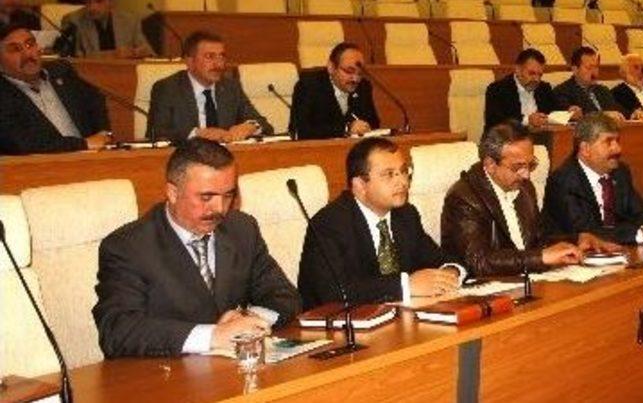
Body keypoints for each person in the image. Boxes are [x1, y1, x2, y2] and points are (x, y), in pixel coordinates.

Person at [93, 139, 300, 357]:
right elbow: (118, 330)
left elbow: (284, 296)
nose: (219, 208)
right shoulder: (129, 247)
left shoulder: (241, 229)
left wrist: (248, 320)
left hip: (233, 368)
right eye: (206, 197)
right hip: (167, 371)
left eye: (228, 195)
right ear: (173, 193)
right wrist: (214, 335)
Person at [297, 137, 464, 309]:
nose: (402, 182)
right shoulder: (329, 224)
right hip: (342, 321)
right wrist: (405, 286)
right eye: (388, 174)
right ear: (360, 185)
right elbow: (336, 292)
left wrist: (450, 272)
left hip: (399, 317)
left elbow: (438, 258)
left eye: (403, 171)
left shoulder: (406, 215)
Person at [441, 123, 621, 277]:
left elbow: (538, 240)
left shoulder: (525, 188)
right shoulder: (464, 198)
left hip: (527, 279)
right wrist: (540, 258)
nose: (526, 175)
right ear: (490, 165)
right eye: (518, 167)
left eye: (531, 165)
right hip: (487, 290)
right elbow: (478, 262)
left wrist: (577, 239)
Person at [543, 113, 643, 245]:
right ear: (585, 149)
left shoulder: (620, 172)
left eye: (617, 141)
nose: (618, 149)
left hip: (620, 250)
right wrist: (638, 234)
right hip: (577, 255)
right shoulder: (562, 181)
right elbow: (585, 234)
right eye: (608, 142)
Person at [0, 24, 111, 155]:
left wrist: (103, 133)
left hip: (92, 157)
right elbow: (22, 144)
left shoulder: (61, 72)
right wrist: (84, 144)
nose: (27, 54)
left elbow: (95, 101)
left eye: (30, 44)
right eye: (15, 49)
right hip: (40, 164)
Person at [147, 30, 272, 143]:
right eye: (210, 57)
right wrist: (197, 133)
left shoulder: (230, 87)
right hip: (188, 155)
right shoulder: (168, 88)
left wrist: (250, 126)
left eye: (221, 56)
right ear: (190, 62)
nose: (218, 64)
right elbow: (156, 133)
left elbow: (263, 123)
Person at [289, 42, 380, 140]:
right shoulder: (309, 86)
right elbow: (301, 131)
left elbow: (374, 123)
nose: (355, 79)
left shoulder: (363, 86)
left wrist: (364, 126)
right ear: (331, 67)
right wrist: (346, 129)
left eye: (360, 74)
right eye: (349, 71)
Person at [60, 0, 154, 58]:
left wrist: (137, 52)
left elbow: (149, 52)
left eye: (99, 1)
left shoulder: (130, 21)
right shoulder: (74, 20)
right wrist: (114, 54)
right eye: (88, 1)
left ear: (112, 1)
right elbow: (74, 57)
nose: (92, 7)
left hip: (124, 71)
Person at [483, 48, 570, 132]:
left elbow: (555, 111)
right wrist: (528, 120)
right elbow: (495, 121)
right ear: (518, 70)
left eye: (540, 75)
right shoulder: (497, 89)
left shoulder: (544, 88)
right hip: (506, 138)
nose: (536, 79)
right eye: (532, 73)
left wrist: (568, 112)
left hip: (540, 137)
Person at [552, 46, 624, 118]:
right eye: (589, 68)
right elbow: (573, 115)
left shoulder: (603, 90)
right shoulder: (562, 92)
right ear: (575, 69)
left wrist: (627, 115)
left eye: (596, 67)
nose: (594, 72)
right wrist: (604, 115)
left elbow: (618, 111)